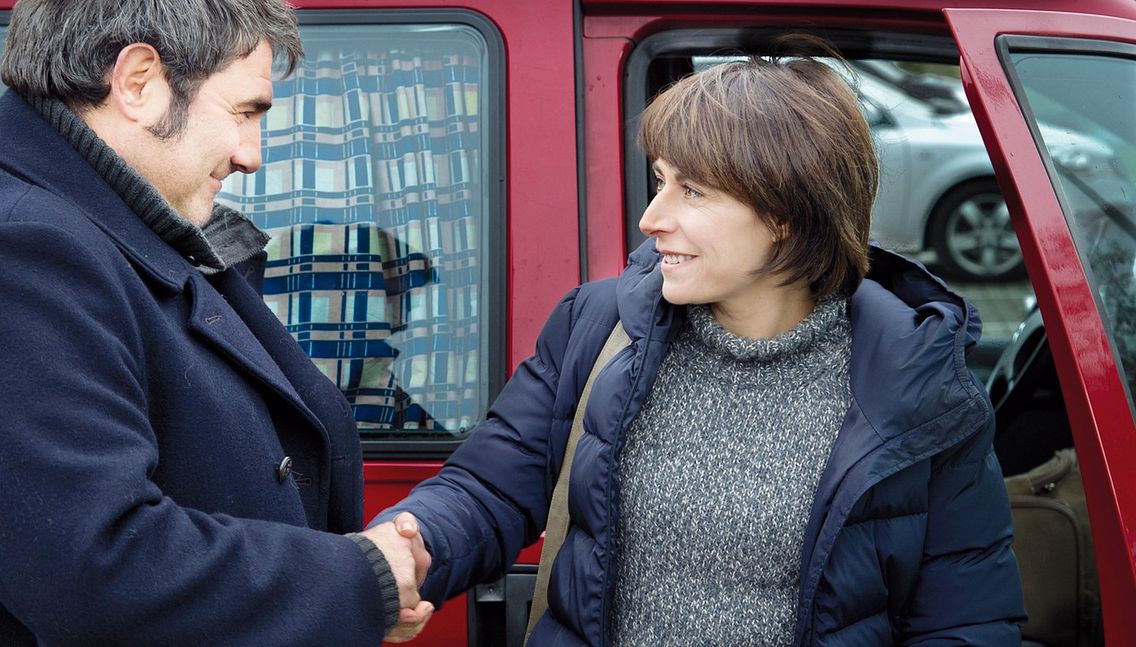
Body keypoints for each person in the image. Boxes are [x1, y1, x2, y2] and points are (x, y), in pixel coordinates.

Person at [0, 0, 431, 644]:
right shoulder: (11, 256)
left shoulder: (104, 226)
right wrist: (356, 578)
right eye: (246, 110)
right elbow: (101, 568)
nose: (251, 153)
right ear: (137, 81)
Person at [374, 43, 1027, 644]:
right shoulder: (598, 326)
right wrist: (408, 546)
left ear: (786, 215)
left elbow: (967, 620)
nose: (651, 218)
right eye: (660, 180)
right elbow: (488, 488)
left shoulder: (922, 388)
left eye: (692, 189)